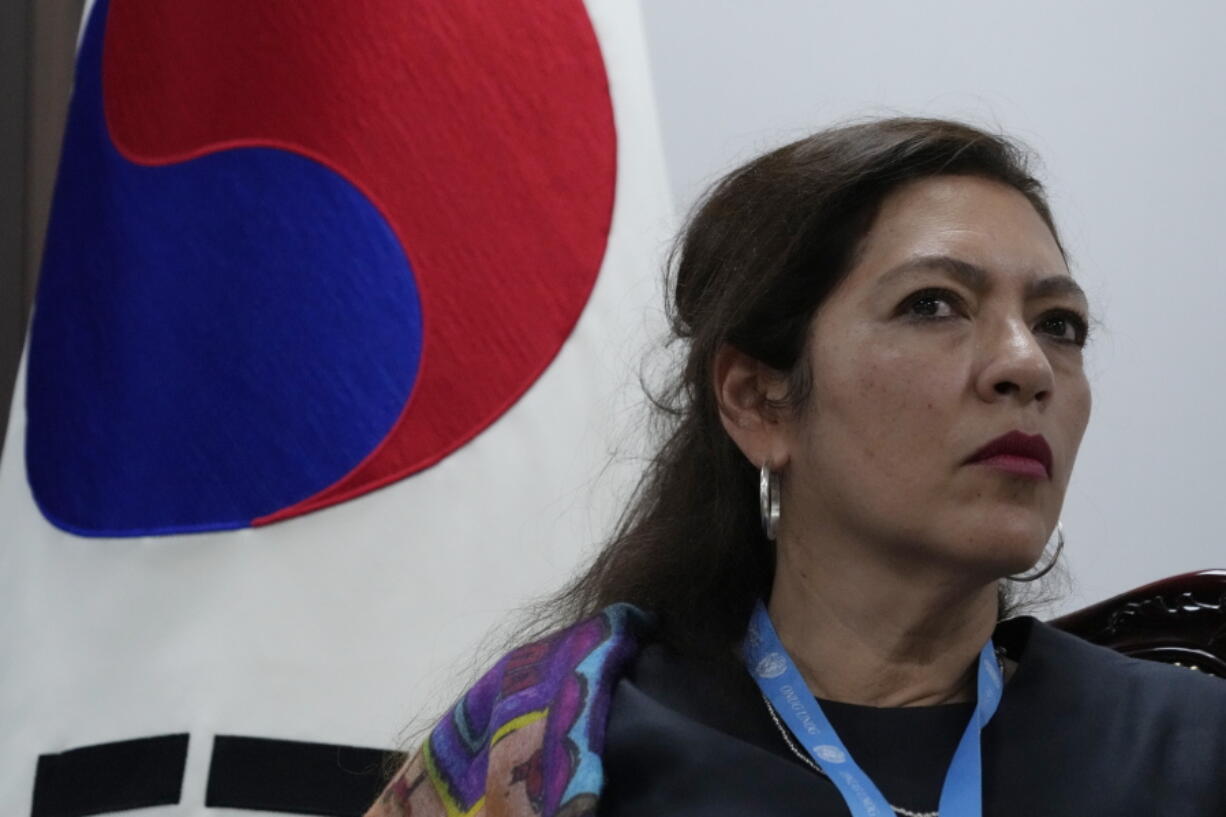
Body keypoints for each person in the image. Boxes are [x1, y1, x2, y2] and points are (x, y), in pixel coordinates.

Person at [364, 118, 1226, 817]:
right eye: (934, 304)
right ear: (760, 403)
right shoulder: (576, 743)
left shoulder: (1190, 744)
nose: (1026, 364)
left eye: (1059, 324)